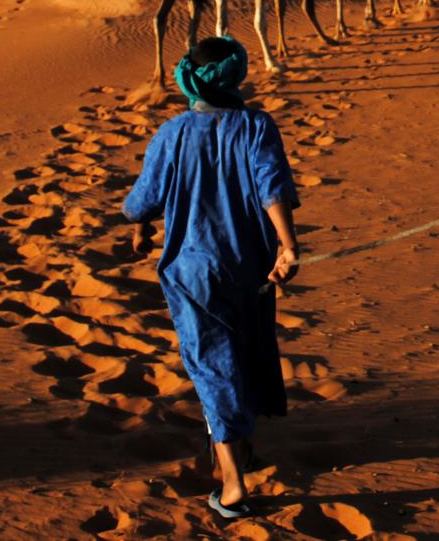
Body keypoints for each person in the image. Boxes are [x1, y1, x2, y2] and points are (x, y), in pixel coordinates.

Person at [123, 35, 301, 520]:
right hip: (251, 266)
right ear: (236, 75)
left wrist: (140, 229)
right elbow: (272, 187)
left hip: (193, 270)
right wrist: (288, 245)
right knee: (244, 352)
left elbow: (144, 199)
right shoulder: (257, 126)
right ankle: (240, 450)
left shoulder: (172, 134)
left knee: (211, 364)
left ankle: (233, 485)